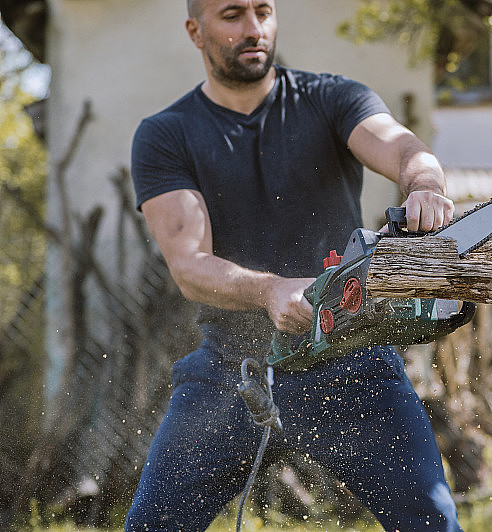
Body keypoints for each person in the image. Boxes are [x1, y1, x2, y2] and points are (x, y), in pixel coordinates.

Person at [124, 1, 463, 530]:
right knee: (153, 525)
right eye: (232, 14)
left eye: (263, 10)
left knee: (431, 520)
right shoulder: (168, 134)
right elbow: (189, 265)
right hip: (234, 370)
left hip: (353, 359)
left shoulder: (333, 99)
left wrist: (423, 183)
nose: (254, 27)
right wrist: (269, 291)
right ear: (195, 31)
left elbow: (402, 147)